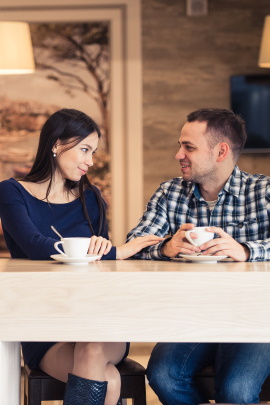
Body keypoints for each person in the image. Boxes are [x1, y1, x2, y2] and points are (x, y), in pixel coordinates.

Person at [0, 108, 163, 405]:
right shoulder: (12, 193)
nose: (90, 161)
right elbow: (34, 245)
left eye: (94, 151)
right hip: (45, 326)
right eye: (85, 149)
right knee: (109, 380)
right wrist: (117, 251)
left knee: (91, 349)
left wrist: (106, 252)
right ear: (56, 144)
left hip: (97, 318)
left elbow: (102, 268)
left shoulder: (92, 199)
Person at [126, 108, 270, 404]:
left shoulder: (264, 191)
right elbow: (133, 245)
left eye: (188, 147)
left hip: (257, 318)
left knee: (237, 390)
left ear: (221, 151)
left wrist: (246, 251)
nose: (178, 154)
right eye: (180, 145)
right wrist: (164, 247)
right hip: (195, 315)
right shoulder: (170, 193)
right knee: (163, 375)